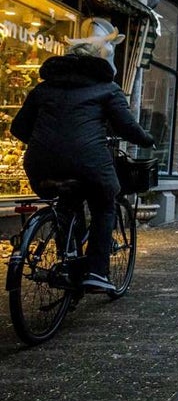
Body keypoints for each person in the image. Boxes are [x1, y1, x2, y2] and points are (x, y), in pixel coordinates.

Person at [11, 24, 155, 293]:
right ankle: (96, 272)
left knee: (67, 202)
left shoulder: (43, 89)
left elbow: (18, 128)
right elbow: (126, 127)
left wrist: (48, 143)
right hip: (88, 160)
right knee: (105, 201)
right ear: (99, 60)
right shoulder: (107, 89)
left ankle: (68, 260)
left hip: (39, 164)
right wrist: (147, 139)